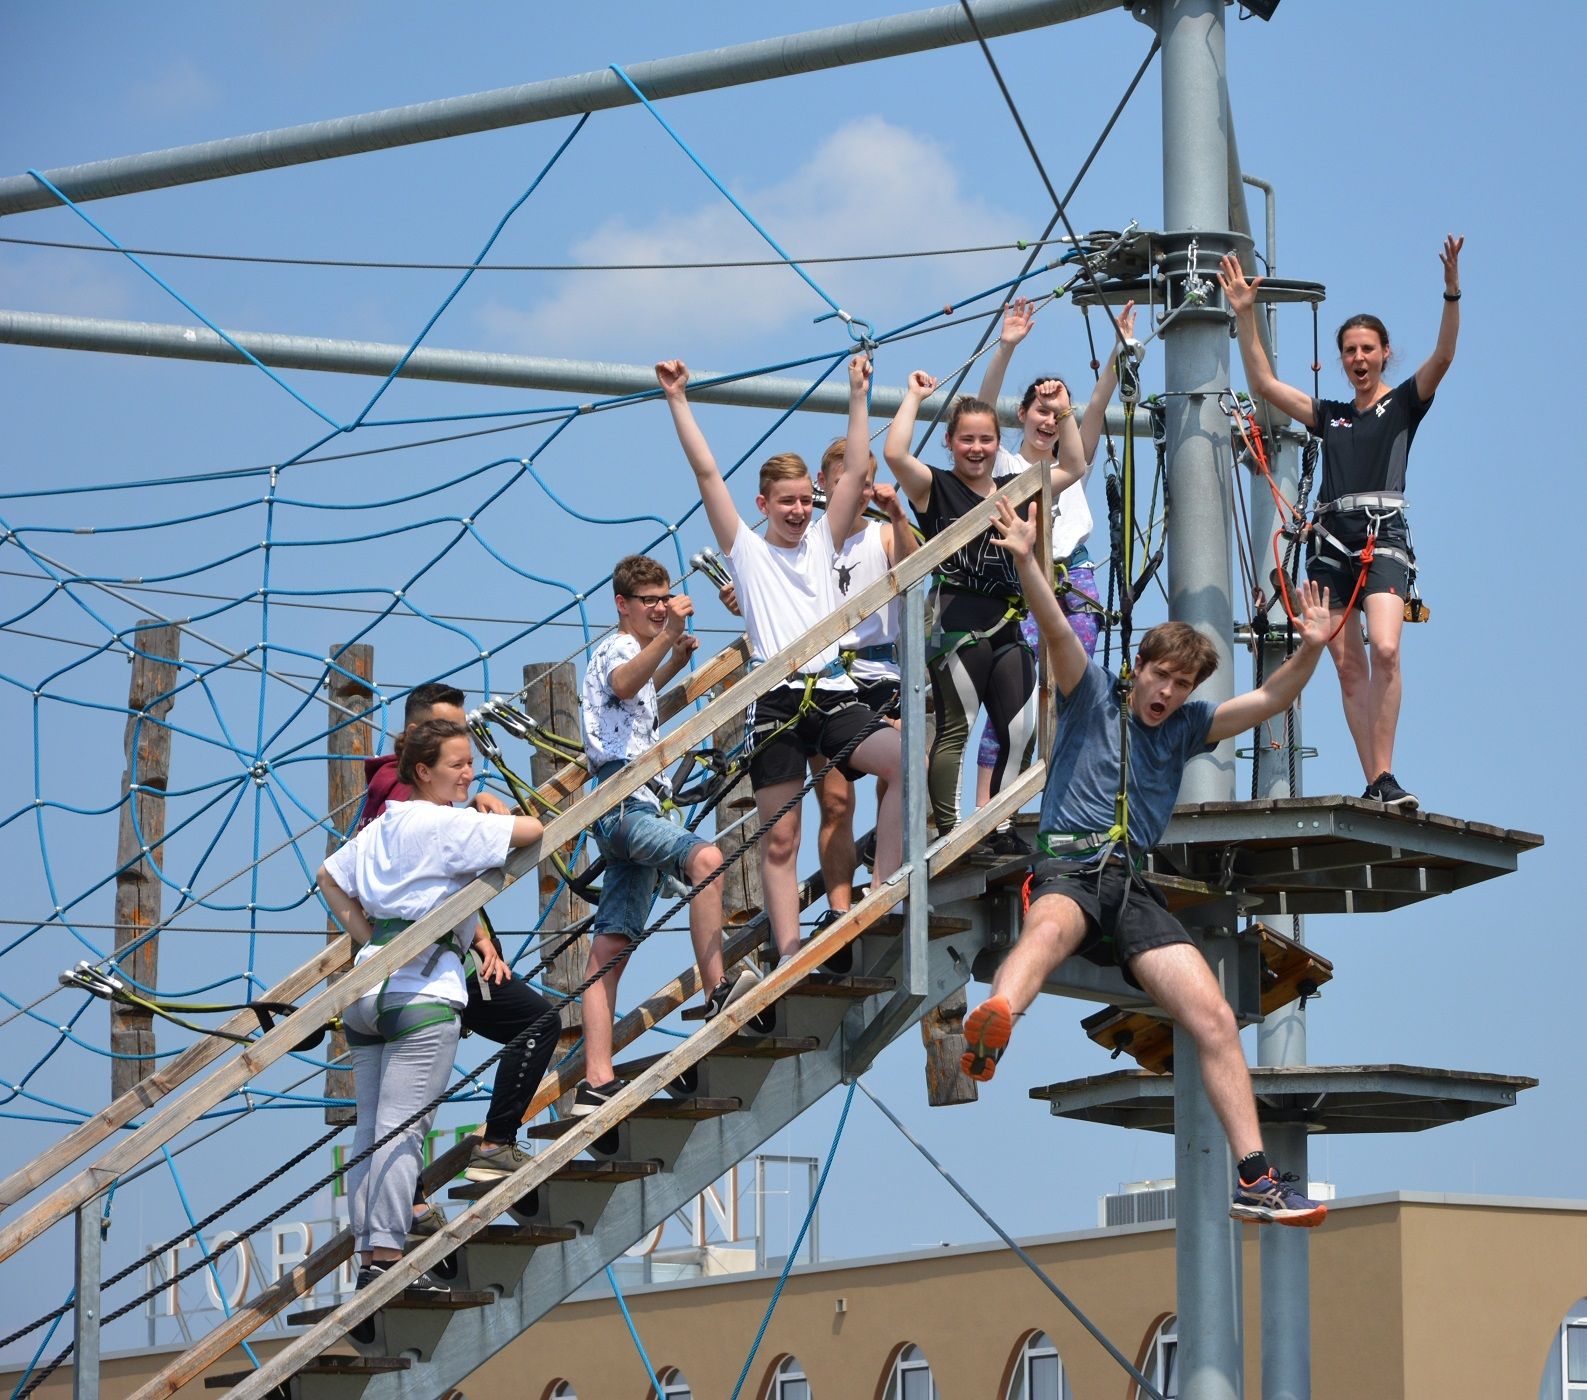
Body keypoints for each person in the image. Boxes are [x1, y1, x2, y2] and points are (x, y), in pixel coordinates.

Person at [960, 498, 1334, 1227]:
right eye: (1159, 676)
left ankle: (1254, 1178)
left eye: (1180, 685)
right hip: (1069, 865)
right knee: (1046, 932)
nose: (1166, 693)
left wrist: (1311, 646)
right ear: (1138, 669)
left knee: (1215, 1019)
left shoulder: (1188, 726)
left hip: (1129, 886)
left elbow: (1268, 697)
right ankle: (997, 1018)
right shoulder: (1091, 693)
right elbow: (1055, 632)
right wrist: (1029, 562)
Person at [656, 353, 904, 967]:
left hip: (835, 689)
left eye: (805, 501)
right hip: (777, 699)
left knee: (906, 763)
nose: (798, 511)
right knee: (782, 837)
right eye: (786, 502)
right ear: (764, 504)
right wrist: (679, 400)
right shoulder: (745, 550)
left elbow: (854, 467)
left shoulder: (825, 536)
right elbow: (708, 473)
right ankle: (791, 952)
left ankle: (885, 896)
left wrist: (857, 393)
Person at [1218, 237, 1464, 810]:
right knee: (1348, 666)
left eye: (1367, 350)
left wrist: (1451, 291)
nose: (1358, 359)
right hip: (1329, 542)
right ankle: (1379, 779)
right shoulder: (1330, 415)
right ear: (1341, 357)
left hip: (1382, 537)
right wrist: (1245, 315)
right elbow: (1265, 388)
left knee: (1386, 648)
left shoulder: (1402, 402)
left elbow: (1444, 358)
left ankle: (1386, 772)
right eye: (1349, 350)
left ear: (1384, 354)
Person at [318, 719, 547, 1289]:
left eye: (471, 763)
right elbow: (535, 830)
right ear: (424, 771)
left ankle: (370, 1255)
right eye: (458, 765)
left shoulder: (384, 826)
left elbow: (328, 874)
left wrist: (367, 931)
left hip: (368, 986)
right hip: (426, 989)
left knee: (372, 1130)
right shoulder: (449, 825)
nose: (469, 773)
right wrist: (491, 807)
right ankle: (387, 1259)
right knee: (403, 1133)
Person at [572, 554, 762, 1115]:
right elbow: (625, 680)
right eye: (649, 601)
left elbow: (633, 697)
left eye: (665, 598)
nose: (659, 607)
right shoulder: (616, 647)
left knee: (610, 945)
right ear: (622, 605)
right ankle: (717, 989)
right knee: (705, 859)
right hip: (625, 803)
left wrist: (675, 660)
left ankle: (596, 1079)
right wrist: (673, 633)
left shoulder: (634, 650)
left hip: (632, 806)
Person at [357, 682, 561, 1191]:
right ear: (417, 750)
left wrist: (480, 937)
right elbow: (449, 863)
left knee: (388, 1115)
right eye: (445, 735)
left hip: (388, 970)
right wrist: (484, 813)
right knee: (535, 1023)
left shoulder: (391, 797)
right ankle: (492, 1148)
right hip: (424, 970)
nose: (461, 752)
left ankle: (405, 1213)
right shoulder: (409, 800)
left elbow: (435, 879)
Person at [883, 367, 1085, 846]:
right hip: (957, 619)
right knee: (959, 725)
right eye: (967, 440)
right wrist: (912, 397)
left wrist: (1063, 410)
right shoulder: (935, 486)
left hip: (1008, 619)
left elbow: (1074, 466)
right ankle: (954, 833)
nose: (977, 449)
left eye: (987, 440)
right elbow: (894, 453)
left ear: (999, 443)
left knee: (1022, 728)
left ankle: (998, 821)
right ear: (950, 443)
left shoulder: (1017, 484)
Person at [971, 298, 1138, 824]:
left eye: (1056, 413)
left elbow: (1096, 406)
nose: (1049, 418)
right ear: (1021, 416)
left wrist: (1118, 349)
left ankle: (1059, 794)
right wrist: (1007, 347)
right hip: (1022, 580)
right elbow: (982, 404)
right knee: (1012, 695)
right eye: (1040, 410)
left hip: (1075, 578)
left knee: (1075, 687)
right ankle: (985, 803)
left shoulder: (1073, 463)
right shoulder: (1002, 461)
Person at [810, 442, 917, 935]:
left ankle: (882, 885)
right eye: (845, 478)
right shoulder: (806, 541)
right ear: (824, 481)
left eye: (864, 478)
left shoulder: (883, 536)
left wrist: (897, 515)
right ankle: (836, 907)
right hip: (829, 677)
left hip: (881, 671)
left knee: (894, 769)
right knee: (834, 802)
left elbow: (918, 570)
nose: (855, 488)